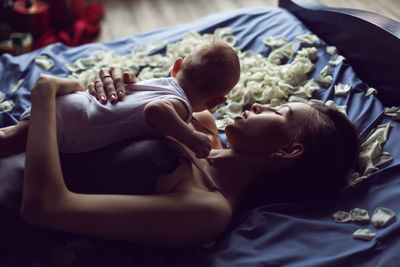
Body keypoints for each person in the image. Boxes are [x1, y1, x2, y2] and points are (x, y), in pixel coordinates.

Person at [18, 67, 360, 247]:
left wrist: (46, 92)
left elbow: (45, 207)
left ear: (287, 151)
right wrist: (108, 89)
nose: (259, 104)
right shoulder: (202, 126)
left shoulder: (207, 210)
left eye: (279, 111)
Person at [0, 41, 240, 158]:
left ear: (176, 67)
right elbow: (156, 110)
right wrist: (189, 135)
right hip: (74, 122)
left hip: (76, 104)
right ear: (215, 102)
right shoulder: (181, 106)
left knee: (12, 134)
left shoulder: (162, 82)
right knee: (10, 141)